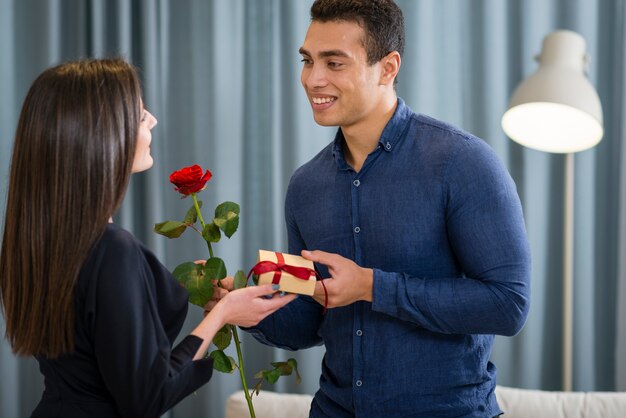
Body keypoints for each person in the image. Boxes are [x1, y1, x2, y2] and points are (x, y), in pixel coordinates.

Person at [210, 0, 532, 417]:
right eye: (308, 60)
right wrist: (245, 310)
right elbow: (309, 318)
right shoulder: (306, 186)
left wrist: (373, 287)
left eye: (334, 62)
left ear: (388, 67)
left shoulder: (463, 163)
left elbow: (509, 305)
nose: (313, 79)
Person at [0, 58, 296, 418]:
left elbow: (97, 330)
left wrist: (175, 287)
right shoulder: (112, 251)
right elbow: (149, 395)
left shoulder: (40, 240)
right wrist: (223, 314)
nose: (153, 119)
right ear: (105, 134)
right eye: (140, 115)